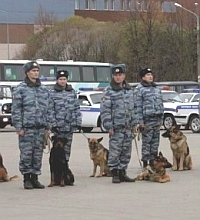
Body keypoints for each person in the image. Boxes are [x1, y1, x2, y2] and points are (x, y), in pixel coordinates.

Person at [11, 61, 52, 189]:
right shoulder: (21, 89)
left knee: (38, 154)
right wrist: (18, 127)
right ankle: (26, 178)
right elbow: (16, 109)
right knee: (26, 154)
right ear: (27, 72)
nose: (35, 73)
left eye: (37, 71)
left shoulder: (44, 90)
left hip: (40, 128)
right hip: (27, 128)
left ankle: (35, 178)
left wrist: (48, 126)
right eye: (33, 71)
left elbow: (49, 108)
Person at [100, 65, 136, 183]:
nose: (118, 77)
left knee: (126, 151)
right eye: (116, 75)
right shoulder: (109, 91)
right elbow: (105, 111)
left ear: (124, 76)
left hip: (128, 126)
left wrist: (134, 123)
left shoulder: (129, 90)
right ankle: (114, 172)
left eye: (120, 75)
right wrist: (108, 126)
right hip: (116, 127)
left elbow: (133, 108)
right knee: (115, 151)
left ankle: (122, 172)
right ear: (112, 76)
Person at [50, 70, 82, 163]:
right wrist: (53, 124)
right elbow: (50, 110)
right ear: (57, 80)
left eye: (64, 79)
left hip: (69, 126)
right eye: (60, 79)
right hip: (58, 128)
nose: (62, 81)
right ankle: (57, 169)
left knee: (67, 149)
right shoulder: (52, 93)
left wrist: (78, 122)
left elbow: (76, 108)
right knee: (57, 150)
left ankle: (65, 167)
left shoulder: (71, 92)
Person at [135, 68, 164, 168]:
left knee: (155, 142)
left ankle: (153, 161)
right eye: (148, 75)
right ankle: (145, 162)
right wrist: (140, 122)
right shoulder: (140, 89)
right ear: (143, 77)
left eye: (151, 74)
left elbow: (161, 104)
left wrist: (161, 119)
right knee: (147, 142)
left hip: (157, 119)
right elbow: (138, 107)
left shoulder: (157, 88)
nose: (150, 76)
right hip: (147, 120)